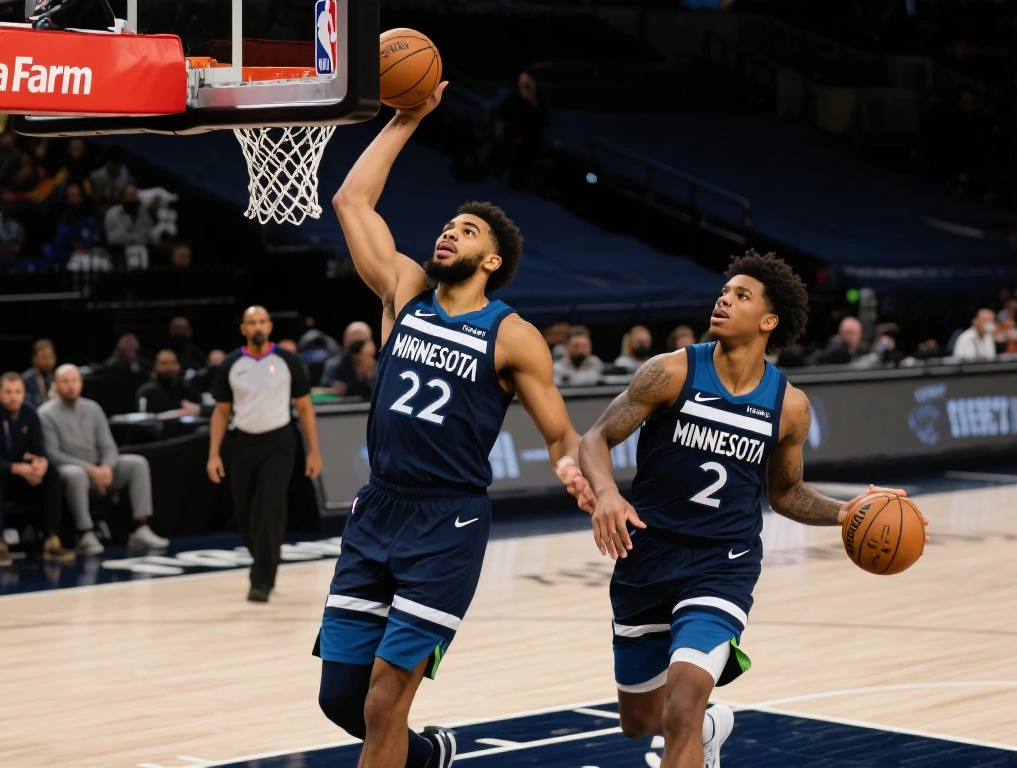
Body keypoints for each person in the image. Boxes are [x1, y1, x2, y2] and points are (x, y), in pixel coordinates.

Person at [317, 81, 593, 768]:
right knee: (342, 699)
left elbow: (559, 429)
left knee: (384, 702)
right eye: (448, 225)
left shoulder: (512, 335)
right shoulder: (404, 292)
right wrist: (405, 118)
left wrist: (569, 464)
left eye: (467, 231)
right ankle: (427, 757)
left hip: (448, 522)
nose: (449, 232)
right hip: (379, 507)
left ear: (492, 261)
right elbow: (351, 202)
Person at [578, 250, 927, 768]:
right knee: (641, 721)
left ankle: (696, 725)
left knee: (682, 708)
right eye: (725, 292)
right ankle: (710, 729)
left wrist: (845, 512)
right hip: (646, 558)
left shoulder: (789, 406)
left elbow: (785, 493)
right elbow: (595, 438)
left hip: (722, 564)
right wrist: (607, 492)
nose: (724, 300)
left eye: (741, 296)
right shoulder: (670, 372)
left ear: (769, 321)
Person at [206, 306, 323, 603]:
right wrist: (213, 454)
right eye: (251, 322)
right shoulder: (231, 364)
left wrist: (314, 451)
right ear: (243, 329)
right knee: (245, 513)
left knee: (269, 507)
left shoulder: (288, 361)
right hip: (243, 443)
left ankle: (261, 581)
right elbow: (221, 411)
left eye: (261, 321)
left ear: (269, 326)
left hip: (279, 443)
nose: (257, 327)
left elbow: (304, 407)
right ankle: (264, 559)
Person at [39, 364, 169, 556]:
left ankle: (140, 527)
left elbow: (108, 446)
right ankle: (85, 533)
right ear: (56, 385)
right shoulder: (45, 413)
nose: (71, 386)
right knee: (76, 474)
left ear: (81, 383)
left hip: (99, 468)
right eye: (65, 381)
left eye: (74, 380)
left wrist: (107, 467)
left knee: (137, 463)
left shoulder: (93, 408)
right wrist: (90, 469)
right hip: (70, 469)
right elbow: (52, 454)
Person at [0, 372, 73, 565]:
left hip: (25, 476)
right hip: (1, 474)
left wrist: (41, 463)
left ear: (24, 393)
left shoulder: (30, 413)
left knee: (52, 474)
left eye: (18, 392)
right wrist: (14, 467)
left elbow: (39, 447)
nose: (13, 397)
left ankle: (51, 538)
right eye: (8, 392)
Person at [136, 349, 202, 414]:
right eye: (164, 364)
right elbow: (143, 416)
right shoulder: (147, 392)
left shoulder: (187, 389)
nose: (169, 367)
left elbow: (199, 409)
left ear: (178, 365)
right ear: (156, 366)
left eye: (173, 363)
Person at [22, 338, 56, 408]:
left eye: (50, 356)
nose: (48, 360)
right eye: (44, 357)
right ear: (34, 359)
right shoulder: (26, 380)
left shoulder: (57, 378)